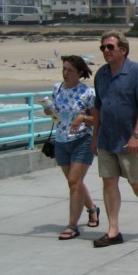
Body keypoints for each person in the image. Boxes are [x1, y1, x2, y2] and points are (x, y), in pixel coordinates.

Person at [91, 32, 138, 248]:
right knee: (109, 181)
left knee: (137, 183)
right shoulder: (101, 75)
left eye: (110, 47)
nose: (106, 51)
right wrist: (95, 137)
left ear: (123, 49)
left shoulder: (137, 72)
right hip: (106, 138)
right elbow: (98, 107)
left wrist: (136, 135)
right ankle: (113, 231)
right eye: (103, 48)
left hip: (131, 139)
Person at [48, 55, 100, 240]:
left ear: (80, 72)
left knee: (73, 182)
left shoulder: (88, 93)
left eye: (70, 70)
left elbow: (96, 120)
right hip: (61, 141)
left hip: (82, 141)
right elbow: (57, 116)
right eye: (64, 69)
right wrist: (50, 111)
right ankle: (93, 209)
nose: (66, 73)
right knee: (74, 183)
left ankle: (72, 225)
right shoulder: (57, 88)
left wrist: (83, 118)